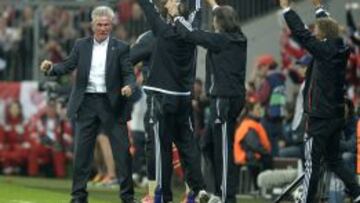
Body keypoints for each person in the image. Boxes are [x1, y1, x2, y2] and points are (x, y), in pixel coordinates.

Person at [39, 6, 136, 203]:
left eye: (107, 24)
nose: (103, 28)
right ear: (92, 25)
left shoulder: (122, 47)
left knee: (123, 152)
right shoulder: (80, 45)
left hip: (112, 103)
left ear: (112, 25)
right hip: (87, 102)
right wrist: (51, 69)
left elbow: (128, 72)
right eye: (99, 24)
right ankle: (78, 197)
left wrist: (129, 85)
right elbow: (67, 65)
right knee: (82, 153)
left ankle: (127, 197)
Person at [279, 0, 360, 202]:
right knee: (334, 160)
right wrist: (318, 7)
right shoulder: (337, 48)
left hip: (319, 118)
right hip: (334, 116)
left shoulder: (324, 51)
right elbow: (328, 27)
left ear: (322, 35)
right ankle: (357, 193)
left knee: (311, 164)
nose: (314, 32)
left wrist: (287, 9)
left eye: (317, 30)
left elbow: (301, 33)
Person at [135, 0, 209, 202]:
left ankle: (161, 195)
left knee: (161, 148)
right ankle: (196, 190)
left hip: (160, 97)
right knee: (188, 147)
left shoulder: (162, 31)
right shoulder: (192, 32)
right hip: (183, 98)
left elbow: (147, 6)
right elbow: (197, 10)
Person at [175, 0, 247, 201]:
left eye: (215, 20)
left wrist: (177, 16)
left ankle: (226, 197)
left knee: (223, 149)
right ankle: (215, 190)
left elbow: (191, 35)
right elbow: (223, 17)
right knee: (207, 144)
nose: (213, 23)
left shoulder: (221, 40)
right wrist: (213, 4)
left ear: (221, 23)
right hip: (227, 99)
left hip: (224, 100)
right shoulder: (238, 37)